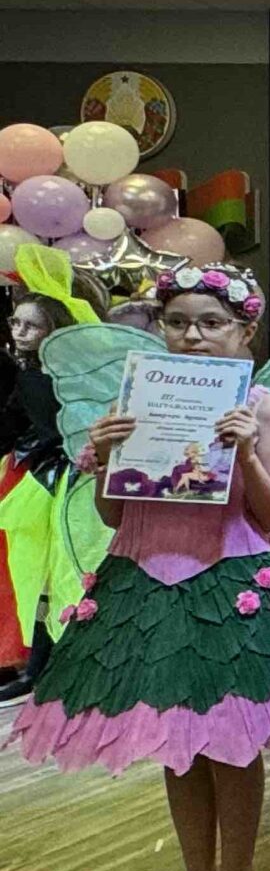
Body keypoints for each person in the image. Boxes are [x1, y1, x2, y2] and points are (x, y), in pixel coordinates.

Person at [12, 261, 270, 871]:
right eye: (178, 322)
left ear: (245, 331)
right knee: (176, 741)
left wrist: (244, 453)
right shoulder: (135, 399)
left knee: (229, 738)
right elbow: (112, 514)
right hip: (143, 574)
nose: (193, 335)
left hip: (226, 580)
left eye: (211, 322)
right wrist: (108, 457)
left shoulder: (265, 406)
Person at [0, 258, 110, 703]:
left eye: (31, 325)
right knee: (39, 573)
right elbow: (16, 425)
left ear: (57, 330)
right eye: (15, 323)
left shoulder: (65, 376)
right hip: (40, 477)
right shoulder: (30, 373)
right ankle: (38, 665)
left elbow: (63, 428)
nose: (18, 332)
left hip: (69, 480)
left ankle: (63, 664)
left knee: (67, 571)